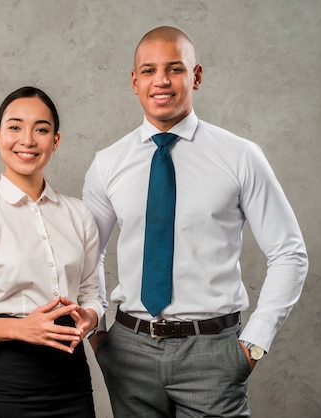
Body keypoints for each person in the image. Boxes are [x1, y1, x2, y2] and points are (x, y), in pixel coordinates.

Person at [83, 26, 308, 417]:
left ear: (197, 76)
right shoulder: (109, 163)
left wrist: (254, 342)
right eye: (149, 70)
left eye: (175, 69)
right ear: (134, 82)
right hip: (129, 351)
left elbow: (289, 253)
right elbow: (86, 258)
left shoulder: (240, 156)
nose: (162, 81)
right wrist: (99, 333)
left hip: (213, 353)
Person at [0, 86, 105, 417]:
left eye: (41, 129)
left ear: (55, 141)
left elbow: (92, 294)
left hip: (72, 382)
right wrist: (21, 329)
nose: (28, 140)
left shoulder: (78, 214)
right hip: (7, 386)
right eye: (15, 127)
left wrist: (89, 317)